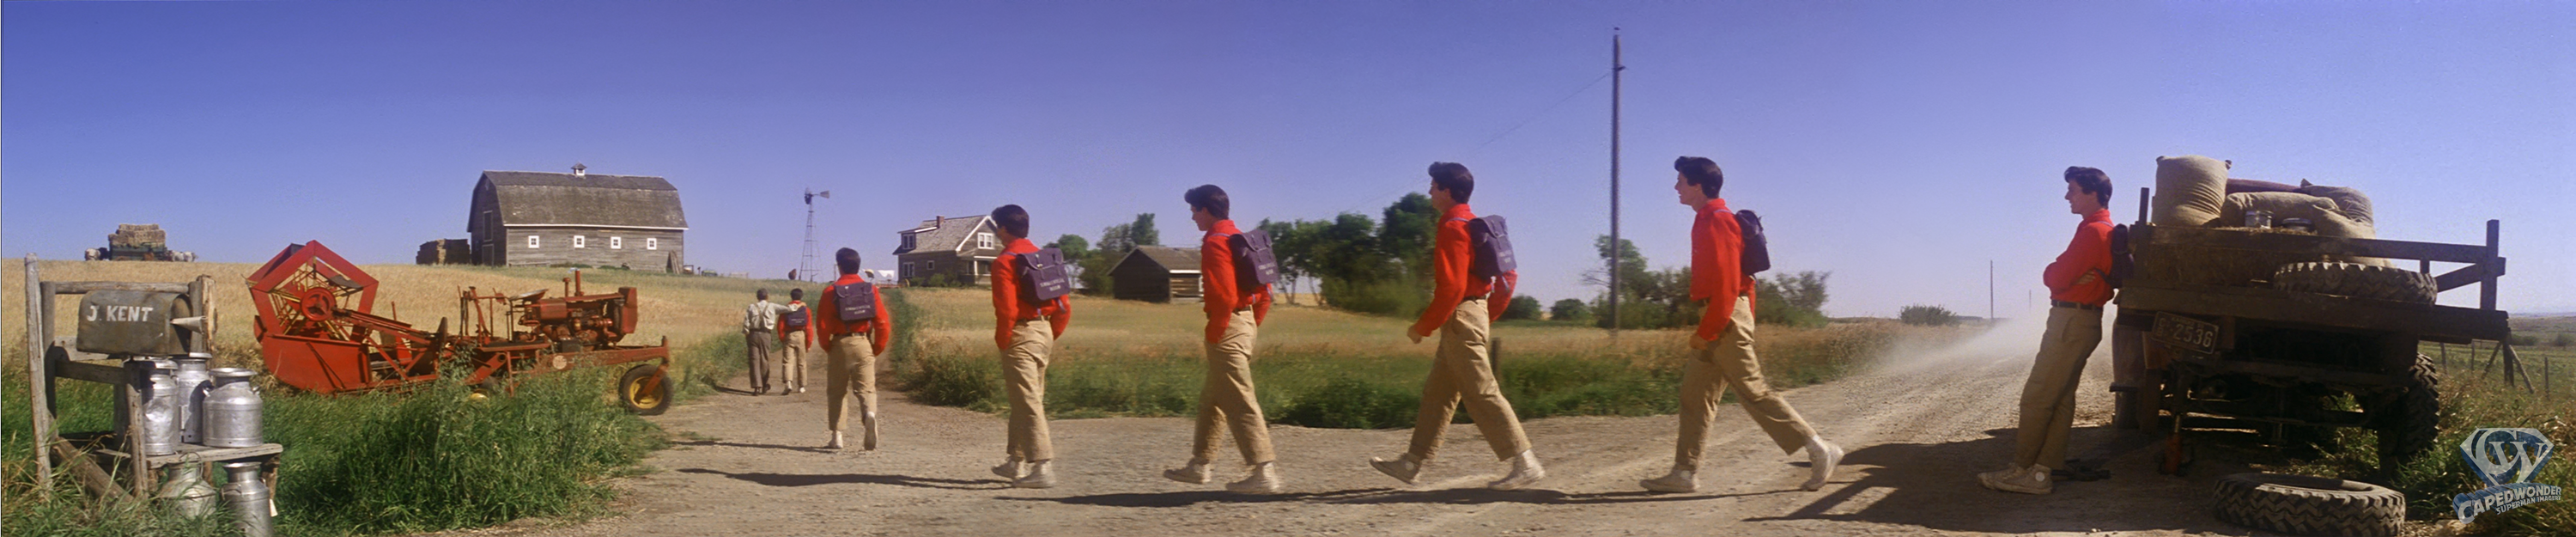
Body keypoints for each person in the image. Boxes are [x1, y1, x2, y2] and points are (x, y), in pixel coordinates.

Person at [1641, 156, 1844, 494]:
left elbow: (1728, 283)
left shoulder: (1718, 220)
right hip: (1721, 315)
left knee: (1753, 392)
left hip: (1723, 317)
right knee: (1694, 396)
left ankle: (1820, 450)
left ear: (1697, 185)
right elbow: (1743, 283)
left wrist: (1709, 331)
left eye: (1680, 181)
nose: (1676, 187)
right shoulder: (1706, 219)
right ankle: (1684, 473)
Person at [1369, 162, 1544, 491]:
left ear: (1446, 191)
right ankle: (1411, 463)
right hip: (1470, 314)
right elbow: (1509, 276)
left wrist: (1423, 326)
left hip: (1460, 317)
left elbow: (1451, 288)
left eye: (1433, 186)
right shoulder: (1474, 225)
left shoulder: (1452, 227)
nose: (1429, 191)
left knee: (1481, 391)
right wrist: (1485, 315)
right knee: (1438, 395)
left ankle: (1525, 462)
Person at [1979, 166, 2117, 495]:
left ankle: (2023, 469)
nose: (2067, 196)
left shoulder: (2093, 232)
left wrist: (2058, 273)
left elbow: (2054, 277)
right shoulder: (2103, 230)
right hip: (2082, 321)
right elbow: (2065, 276)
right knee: (2061, 398)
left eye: (2073, 190)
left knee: (2038, 396)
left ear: (2092, 194)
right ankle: (2044, 470)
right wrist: (2068, 276)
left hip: (2070, 321)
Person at [1162, 185, 1283, 494]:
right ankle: (1200, 465)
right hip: (1244, 323)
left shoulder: (1215, 242)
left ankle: (1264, 471)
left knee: (1240, 399)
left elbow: (1225, 296)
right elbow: (1266, 291)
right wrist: (1250, 325)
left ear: (1205, 210)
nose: (1192, 217)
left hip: (1227, 327)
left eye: (1193, 210)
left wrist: (1217, 331)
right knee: (1213, 399)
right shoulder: (1242, 239)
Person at [987, 204, 1072, 488]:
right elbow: (1064, 306)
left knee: (1027, 401)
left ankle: (1043, 467)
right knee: (1025, 398)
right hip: (1044, 330)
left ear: (1002, 229)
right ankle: (1016, 461)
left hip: (1020, 333)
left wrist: (1004, 339)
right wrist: (1048, 333)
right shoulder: (1044, 258)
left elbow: (1007, 309)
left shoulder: (1005, 261)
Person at [817, 248, 892, 450]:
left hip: (840, 343)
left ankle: (837, 436)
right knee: (866, 389)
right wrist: (876, 347)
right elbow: (882, 322)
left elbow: (822, 324)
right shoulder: (870, 290)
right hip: (863, 342)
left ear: (839, 266)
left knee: (837, 391)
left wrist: (827, 346)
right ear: (858, 266)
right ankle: (869, 415)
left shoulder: (830, 291)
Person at [741, 289, 790, 395]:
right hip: (766, 334)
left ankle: (756, 387)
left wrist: (746, 333)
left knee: (754, 360)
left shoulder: (751, 307)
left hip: (753, 334)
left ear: (757, 297)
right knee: (764, 359)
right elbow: (788, 309)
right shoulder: (772, 306)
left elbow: (746, 322)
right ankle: (764, 385)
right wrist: (798, 305)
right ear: (767, 296)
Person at [779, 288, 816, 394]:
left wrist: (783, 338)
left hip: (789, 335)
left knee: (788, 361)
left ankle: (788, 383)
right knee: (801, 362)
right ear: (801, 296)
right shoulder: (806, 310)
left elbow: (780, 325)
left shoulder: (786, 309)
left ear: (791, 296)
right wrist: (808, 343)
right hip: (801, 335)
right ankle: (802, 386)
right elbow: (809, 327)